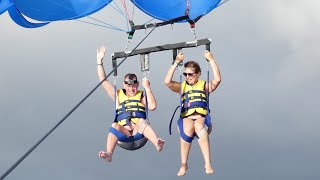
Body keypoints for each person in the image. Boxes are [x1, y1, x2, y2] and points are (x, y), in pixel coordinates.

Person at [96, 46, 165, 162]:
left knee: (141, 121)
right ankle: (109, 154)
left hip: (139, 133)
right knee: (114, 125)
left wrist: (147, 88)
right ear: (124, 85)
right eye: (129, 86)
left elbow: (152, 106)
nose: (132, 89)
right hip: (123, 134)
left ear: (137, 85)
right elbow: (103, 80)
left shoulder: (142, 95)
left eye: (134, 86)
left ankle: (157, 143)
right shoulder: (118, 95)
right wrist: (99, 61)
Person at [164, 50, 221, 176]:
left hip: (202, 119)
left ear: (198, 74)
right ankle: (183, 164)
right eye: (185, 74)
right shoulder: (182, 86)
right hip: (187, 118)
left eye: (190, 74)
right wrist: (176, 62)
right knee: (189, 127)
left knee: (198, 126)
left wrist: (211, 59)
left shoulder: (204, 85)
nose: (187, 76)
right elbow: (167, 82)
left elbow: (217, 80)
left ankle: (207, 162)